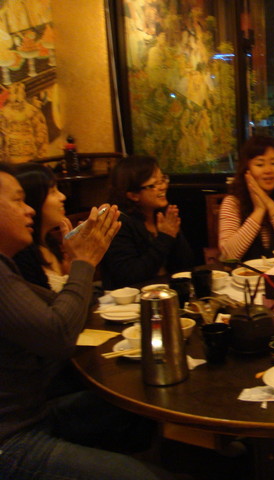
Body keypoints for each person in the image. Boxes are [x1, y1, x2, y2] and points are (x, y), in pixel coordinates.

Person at [0, 162, 172, 480]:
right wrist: (84, 262)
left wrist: (79, 265)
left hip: (36, 414)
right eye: (18, 200)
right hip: (11, 440)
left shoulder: (6, 266)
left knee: (139, 403)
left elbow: (66, 305)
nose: (29, 209)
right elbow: (59, 334)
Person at [102, 155, 194, 289]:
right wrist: (165, 237)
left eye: (163, 180)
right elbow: (130, 277)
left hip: (166, 292)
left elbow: (186, 265)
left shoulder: (161, 215)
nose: (163, 187)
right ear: (133, 195)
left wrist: (174, 233)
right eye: (154, 184)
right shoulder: (118, 223)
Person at [218, 135, 274, 260]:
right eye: (260, 164)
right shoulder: (233, 202)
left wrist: (269, 204)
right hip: (244, 272)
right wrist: (259, 210)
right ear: (247, 169)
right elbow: (228, 256)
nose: (268, 170)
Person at [12, 162, 71, 291]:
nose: (62, 196)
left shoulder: (50, 242)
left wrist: (71, 261)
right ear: (33, 200)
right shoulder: (21, 255)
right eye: (53, 191)